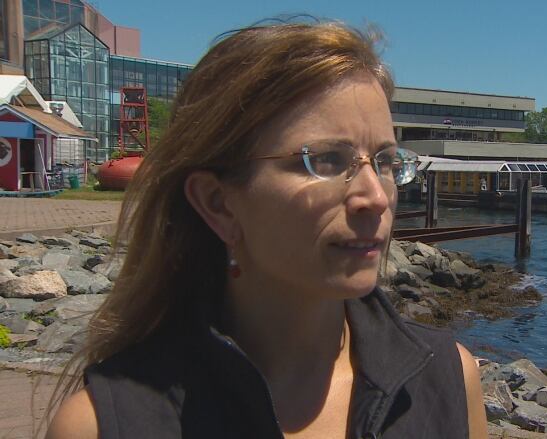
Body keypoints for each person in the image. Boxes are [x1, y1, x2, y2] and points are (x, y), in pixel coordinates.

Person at [45, 19, 487, 439]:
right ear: (218, 204)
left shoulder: (445, 379)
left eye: (386, 162)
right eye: (328, 160)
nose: (376, 197)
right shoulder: (110, 425)